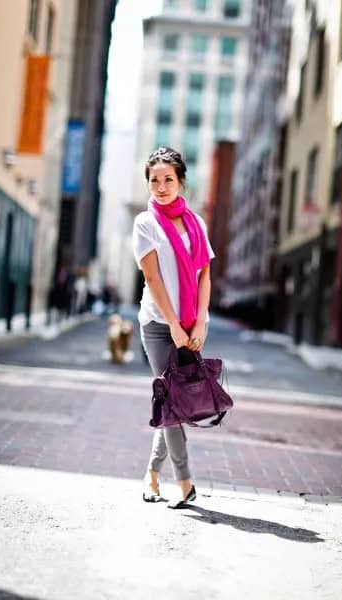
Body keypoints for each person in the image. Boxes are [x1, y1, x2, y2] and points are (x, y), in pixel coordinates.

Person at [132, 147, 215, 509]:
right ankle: (184, 481)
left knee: (174, 402)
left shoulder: (197, 224)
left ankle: (151, 475)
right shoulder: (145, 223)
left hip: (189, 324)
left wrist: (200, 319)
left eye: (168, 179)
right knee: (173, 401)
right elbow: (152, 277)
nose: (161, 187)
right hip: (157, 324)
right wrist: (174, 326)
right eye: (154, 180)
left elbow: (204, 274)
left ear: (181, 182)